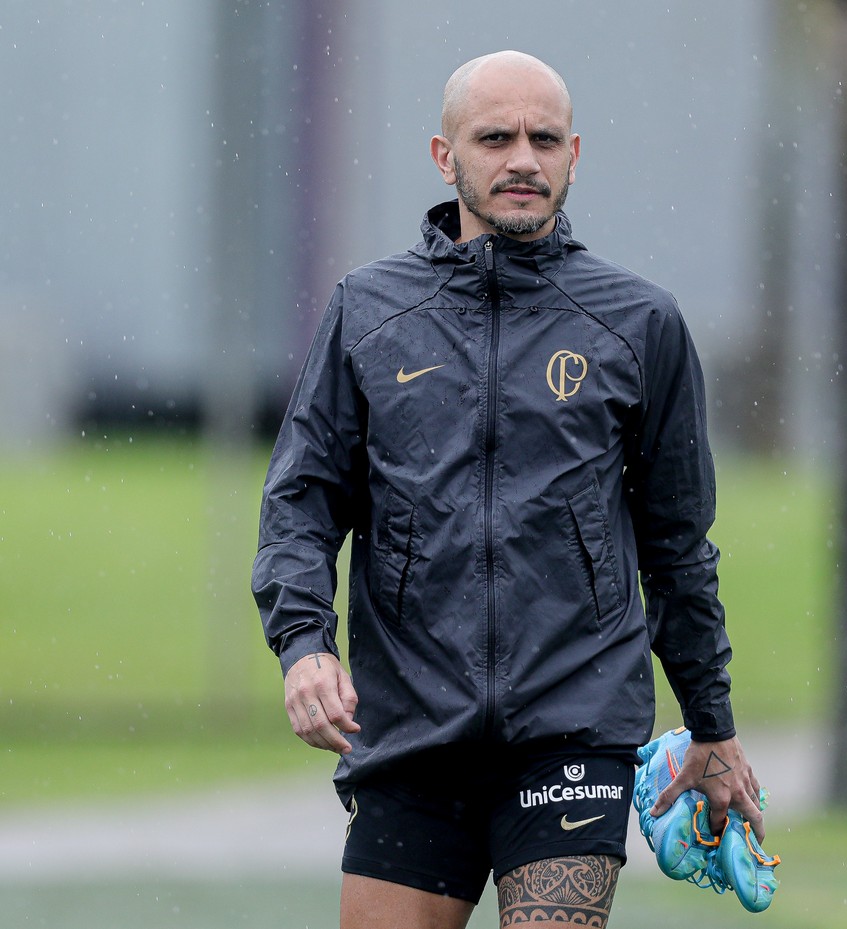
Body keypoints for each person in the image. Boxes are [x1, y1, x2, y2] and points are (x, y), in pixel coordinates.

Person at [252, 49, 765, 929]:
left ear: (575, 154)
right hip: (410, 735)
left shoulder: (640, 322)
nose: (522, 158)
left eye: (544, 138)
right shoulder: (367, 311)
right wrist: (304, 644)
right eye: (495, 137)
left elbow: (679, 544)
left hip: (574, 730)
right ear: (445, 157)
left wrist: (711, 725)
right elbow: (301, 501)